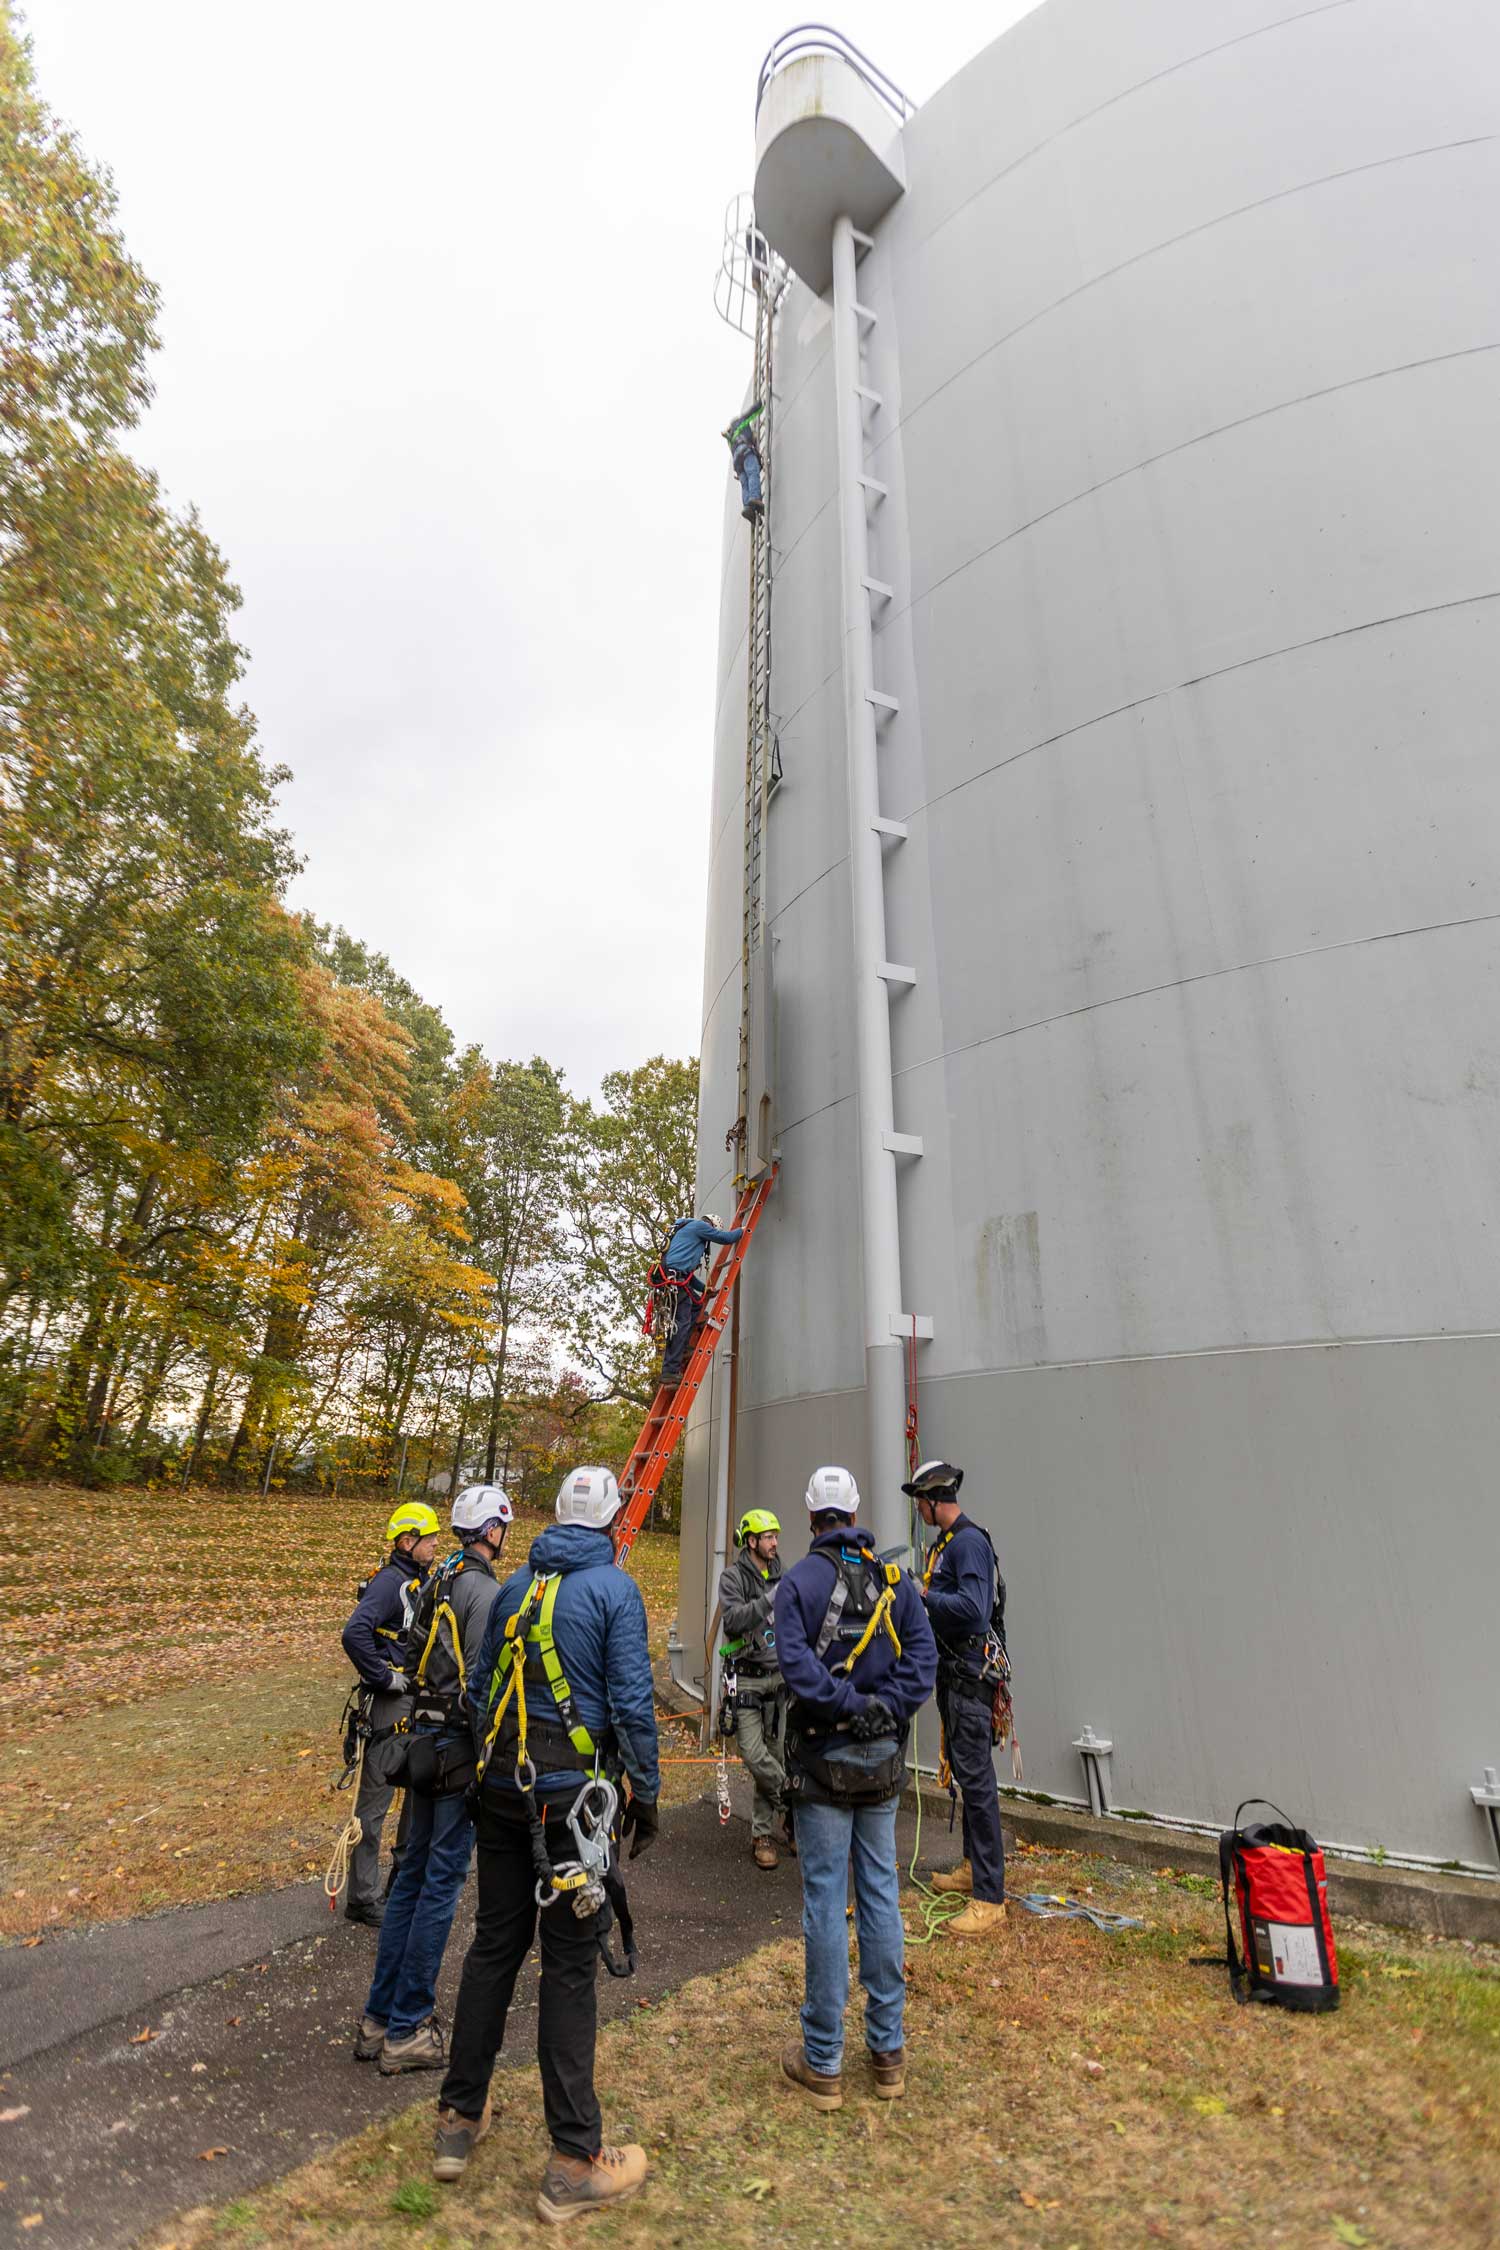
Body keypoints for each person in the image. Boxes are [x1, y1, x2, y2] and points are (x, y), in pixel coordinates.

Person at [431, 1464, 660, 2224]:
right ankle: (573, 2162)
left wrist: (490, 1772)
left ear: (558, 1518)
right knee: (567, 1968)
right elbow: (631, 1702)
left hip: (503, 1791)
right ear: (613, 1522)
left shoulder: (516, 1586)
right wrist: (646, 1793)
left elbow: (480, 1692)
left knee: (495, 1945)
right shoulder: (615, 1591)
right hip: (570, 1808)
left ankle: (459, 2118)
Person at [774, 1465, 937, 2110]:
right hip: (882, 1762)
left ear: (812, 1515)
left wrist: (848, 1705)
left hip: (823, 1760)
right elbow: (921, 1660)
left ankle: (824, 2062)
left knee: (824, 1901)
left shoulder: (798, 1583)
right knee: (881, 1894)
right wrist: (884, 1708)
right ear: (855, 1513)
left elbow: (796, 1667)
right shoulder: (894, 1583)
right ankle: (887, 2052)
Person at [353, 1484, 513, 2072]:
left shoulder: (438, 1578)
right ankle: (408, 2026)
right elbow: (482, 1685)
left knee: (411, 1878)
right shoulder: (483, 1591)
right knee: (440, 1884)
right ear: (492, 1530)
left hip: (421, 1740)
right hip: (455, 1751)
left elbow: (412, 1652)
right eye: (502, 1527)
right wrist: (491, 1759)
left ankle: (378, 2019)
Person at [906, 1458, 1008, 1937]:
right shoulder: (947, 1544)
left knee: (978, 1783)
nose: (918, 1510)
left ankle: (990, 1898)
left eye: (919, 1502)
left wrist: (923, 1596)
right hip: (954, 1675)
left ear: (933, 1500)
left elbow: (973, 1609)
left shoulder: (968, 1544)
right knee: (968, 1775)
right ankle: (971, 1868)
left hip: (971, 1677)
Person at [339, 1500, 441, 1926]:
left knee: (416, 1792)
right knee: (374, 1804)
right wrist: (384, 1677)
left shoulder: (419, 1580)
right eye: (429, 1538)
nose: (435, 1544)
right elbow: (354, 1633)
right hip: (389, 1706)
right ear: (406, 1541)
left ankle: (399, 1883)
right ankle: (362, 1898)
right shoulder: (389, 1583)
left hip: (415, 1701)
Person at [718, 1508, 792, 1869]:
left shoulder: (781, 1573)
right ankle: (793, 1801)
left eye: (776, 1536)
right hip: (746, 1676)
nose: (775, 1543)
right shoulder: (732, 1578)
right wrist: (768, 1600)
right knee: (752, 1752)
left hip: (778, 1678)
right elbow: (732, 1620)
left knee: (775, 1755)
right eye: (768, 1537)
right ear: (751, 1542)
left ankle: (763, 1835)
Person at [656, 1211, 743, 1386]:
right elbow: (725, 1238)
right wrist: (742, 1230)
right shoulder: (700, 1226)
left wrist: (704, 1289)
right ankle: (670, 1371)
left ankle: (684, 1348)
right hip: (674, 1280)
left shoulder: (686, 1231)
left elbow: (687, 1275)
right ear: (712, 1225)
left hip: (675, 1279)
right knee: (681, 1323)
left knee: (696, 1306)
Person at [722, 402, 764, 522]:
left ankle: (748, 509)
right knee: (753, 473)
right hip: (745, 452)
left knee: (745, 484)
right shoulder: (741, 421)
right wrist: (760, 404)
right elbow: (753, 411)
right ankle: (755, 498)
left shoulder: (731, 438)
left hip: (737, 462)